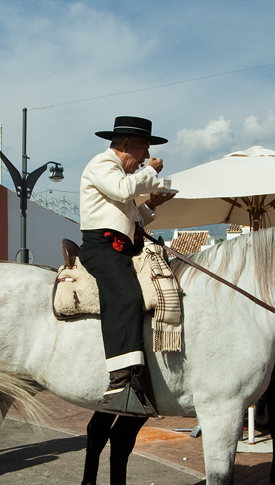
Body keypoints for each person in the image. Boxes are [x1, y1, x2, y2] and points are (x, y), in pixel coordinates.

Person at [78, 116, 175, 407]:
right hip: (103, 248)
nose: (146, 155)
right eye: (144, 148)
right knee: (127, 298)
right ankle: (120, 383)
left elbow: (128, 216)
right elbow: (122, 190)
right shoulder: (102, 164)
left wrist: (151, 205)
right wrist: (150, 171)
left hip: (122, 246)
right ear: (126, 144)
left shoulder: (117, 170)